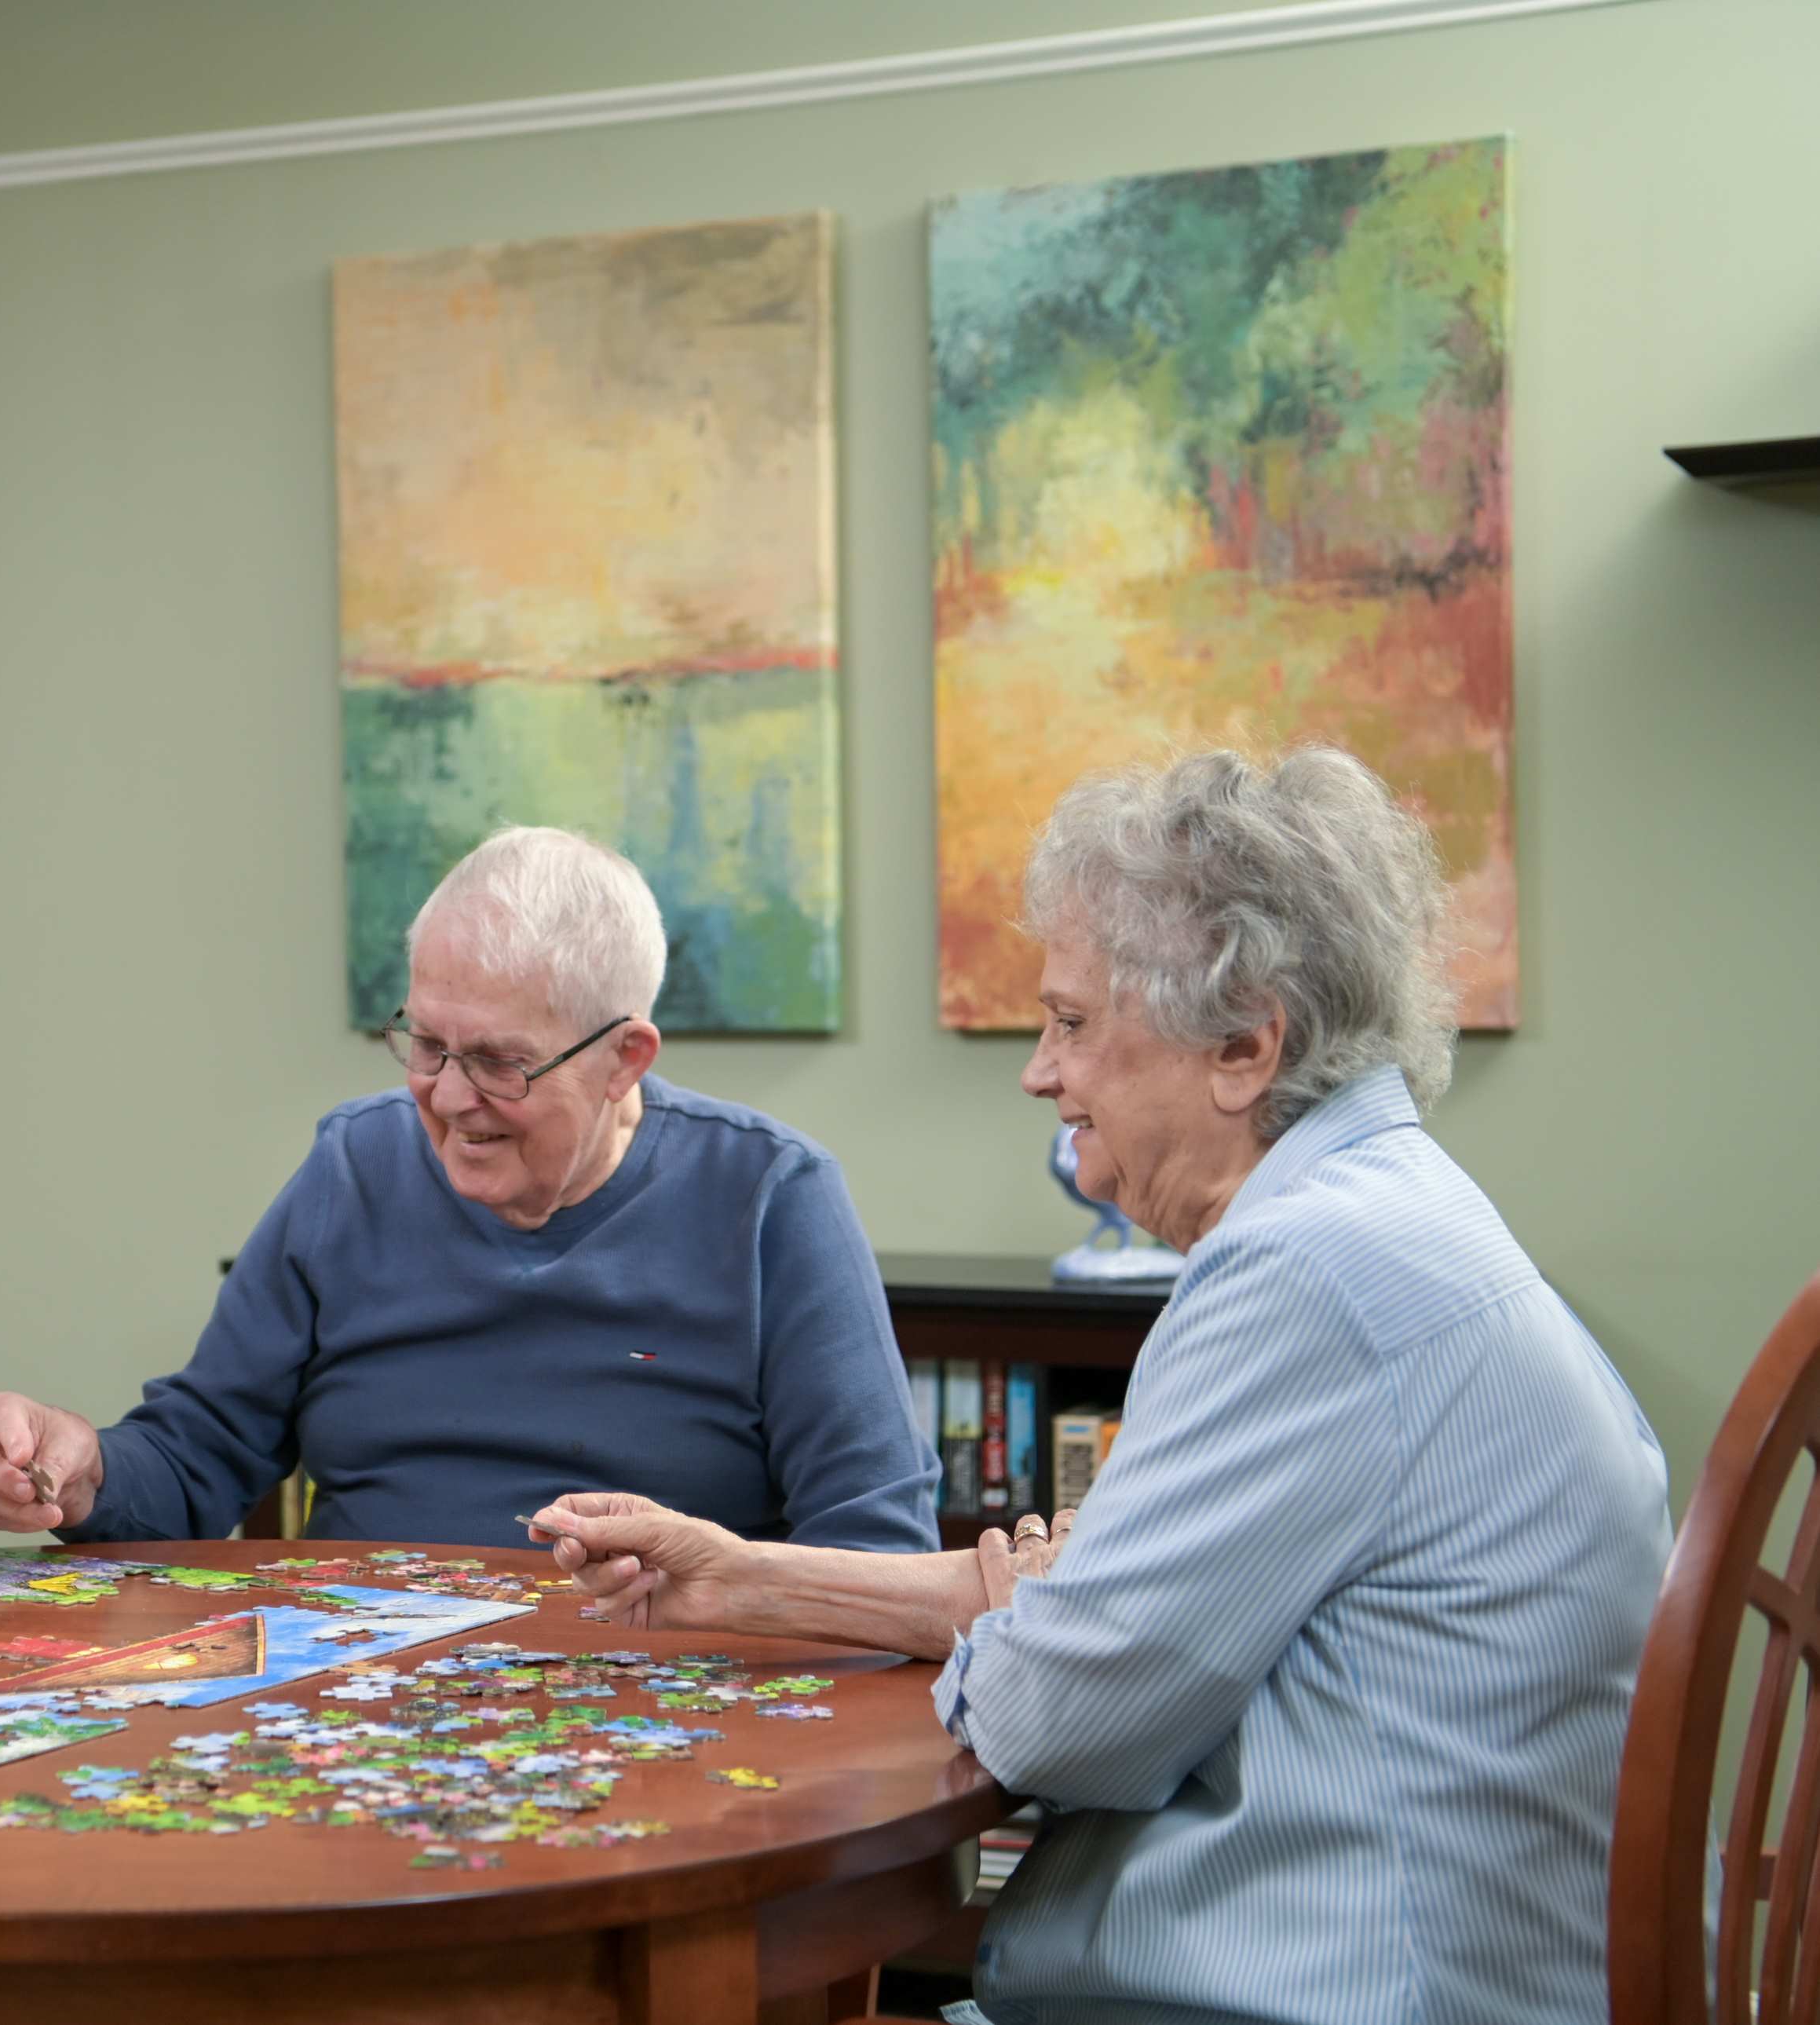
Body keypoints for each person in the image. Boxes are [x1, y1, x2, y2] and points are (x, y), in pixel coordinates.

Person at [534, 748, 1672, 2025]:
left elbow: (1057, 1716)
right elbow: (1068, 1623)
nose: (1040, 1069)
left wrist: (1038, 1621)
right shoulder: (1386, 1213)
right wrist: (743, 1574)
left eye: (1072, 1021)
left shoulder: (1303, 1275)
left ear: (1245, 1043)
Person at [0, 825, 936, 1554]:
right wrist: (80, 1469)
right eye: (427, 1044)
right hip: (362, 1704)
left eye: (503, 1061)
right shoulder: (354, 1167)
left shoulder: (771, 1198)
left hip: (667, 1705)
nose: (451, 1097)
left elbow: (876, 1546)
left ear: (625, 1057)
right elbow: (198, 1456)